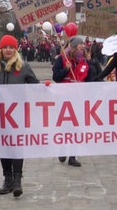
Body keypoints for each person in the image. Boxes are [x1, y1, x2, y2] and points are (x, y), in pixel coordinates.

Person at [0, 35, 40, 197]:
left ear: (15, 49)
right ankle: (8, 178)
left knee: (16, 146)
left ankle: (18, 180)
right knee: (4, 146)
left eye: (11, 47)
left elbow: (35, 86)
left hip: (17, 114)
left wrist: (45, 87)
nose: (8, 50)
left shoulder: (23, 66)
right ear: (1, 49)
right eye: (5, 47)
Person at [52, 36, 88, 167]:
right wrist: (65, 69)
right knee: (64, 126)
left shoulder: (84, 61)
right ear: (73, 46)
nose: (83, 46)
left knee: (76, 128)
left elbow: (90, 79)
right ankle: (62, 149)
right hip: (64, 99)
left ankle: (73, 156)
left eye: (83, 44)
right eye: (80, 44)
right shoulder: (62, 59)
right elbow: (55, 77)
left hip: (78, 99)